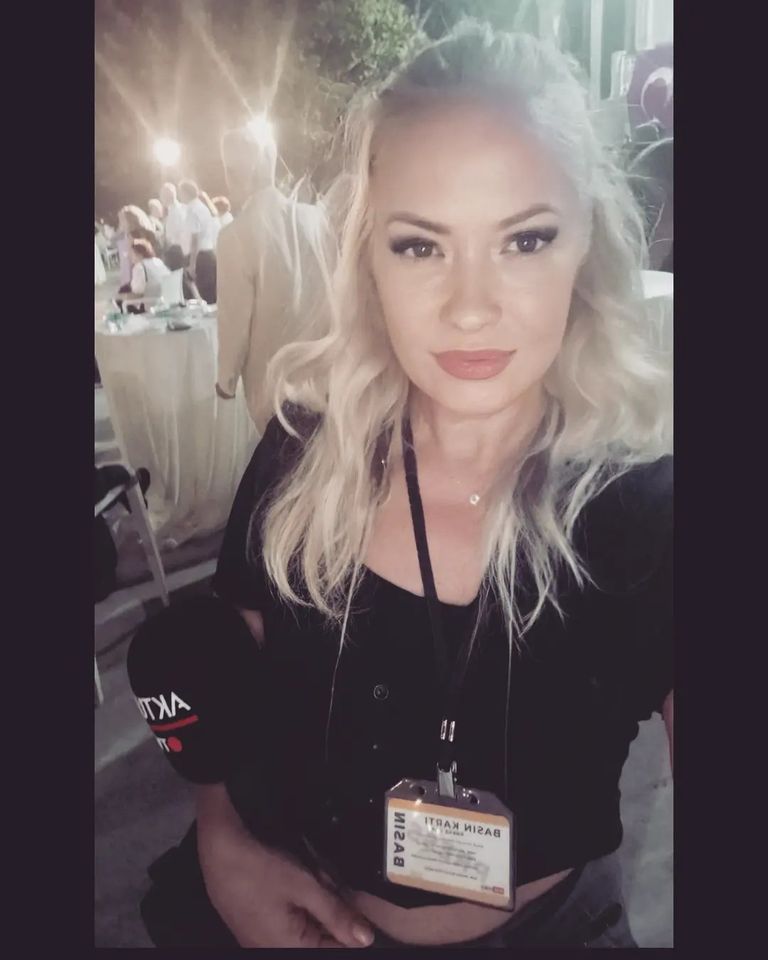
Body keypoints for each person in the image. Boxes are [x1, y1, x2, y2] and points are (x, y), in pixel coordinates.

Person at [129, 21, 672, 949]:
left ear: (586, 243)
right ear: (368, 258)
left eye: (525, 239)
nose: (470, 307)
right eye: (421, 246)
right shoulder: (302, 454)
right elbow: (226, 679)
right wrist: (221, 838)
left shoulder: (647, 517)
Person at [212, 128, 335, 429]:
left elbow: (234, 319)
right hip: (327, 372)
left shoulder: (235, 236)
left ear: (232, 173)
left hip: (274, 385)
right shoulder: (315, 218)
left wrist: (226, 380)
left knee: (283, 454)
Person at [178, 179, 218, 304]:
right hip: (208, 253)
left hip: (200, 256)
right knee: (211, 294)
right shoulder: (203, 208)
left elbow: (194, 239)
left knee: (202, 295)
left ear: (185, 193)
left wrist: (192, 264)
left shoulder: (192, 211)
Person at [116, 205, 156, 287]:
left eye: (122, 220)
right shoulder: (141, 233)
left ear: (129, 220)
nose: (120, 223)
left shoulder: (133, 236)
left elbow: (133, 258)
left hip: (138, 274)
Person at [159, 182, 187, 272]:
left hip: (177, 251)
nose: (161, 199)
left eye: (162, 196)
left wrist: (167, 240)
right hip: (174, 250)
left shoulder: (178, 211)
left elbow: (179, 231)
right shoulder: (170, 211)